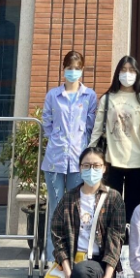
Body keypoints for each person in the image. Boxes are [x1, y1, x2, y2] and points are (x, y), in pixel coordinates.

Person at [48, 146, 126, 278]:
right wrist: (69, 276)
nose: (91, 170)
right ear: (80, 168)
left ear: (104, 168)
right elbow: (58, 237)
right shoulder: (69, 199)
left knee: (83, 272)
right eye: (86, 165)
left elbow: (116, 241)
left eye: (96, 166)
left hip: (97, 266)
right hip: (71, 264)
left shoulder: (113, 198)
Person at [43, 51, 99, 263]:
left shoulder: (89, 96)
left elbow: (91, 125)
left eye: (77, 68)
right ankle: (54, 259)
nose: (73, 72)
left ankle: (76, 257)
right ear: (63, 69)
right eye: (69, 68)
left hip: (78, 160)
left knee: (77, 209)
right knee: (56, 208)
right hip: (55, 159)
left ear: (82, 70)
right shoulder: (53, 95)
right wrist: (57, 139)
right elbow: (47, 122)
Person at [91, 55, 140, 227]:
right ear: (117, 73)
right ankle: (113, 241)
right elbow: (97, 129)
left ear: (137, 74)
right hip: (112, 160)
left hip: (137, 162)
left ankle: (129, 241)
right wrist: (90, 153)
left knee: (132, 209)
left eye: (131, 70)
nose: (127, 74)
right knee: (112, 208)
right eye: (123, 70)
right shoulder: (107, 98)